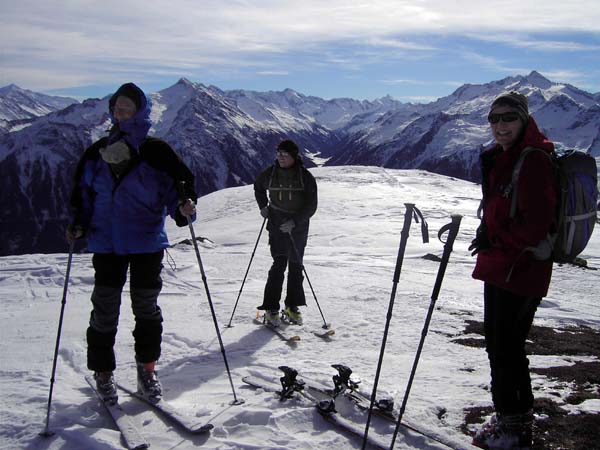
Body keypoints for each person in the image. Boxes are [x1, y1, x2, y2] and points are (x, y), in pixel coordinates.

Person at [66, 82, 197, 403]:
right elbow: (83, 194)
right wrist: (78, 224)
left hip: (147, 243)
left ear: (140, 111)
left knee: (146, 310)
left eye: (127, 107)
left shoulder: (156, 152)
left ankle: (147, 369)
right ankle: (103, 372)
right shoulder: (96, 153)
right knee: (105, 311)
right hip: (106, 244)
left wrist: (184, 209)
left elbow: (177, 191)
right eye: (116, 107)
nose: (120, 112)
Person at [469, 92, 557, 449]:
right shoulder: (503, 157)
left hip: (522, 270)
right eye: (494, 119)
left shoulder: (533, 160)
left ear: (523, 119)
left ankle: (516, 426)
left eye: (508, 118)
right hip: (501, 266)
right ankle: (509, 416)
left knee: (506, 347)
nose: (500, 126)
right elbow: (500, 208)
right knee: (500, 345)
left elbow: (535, 225)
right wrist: (485, 232)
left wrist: (497, 242)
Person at [254, 139, 318, 326]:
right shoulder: (270, 174)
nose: (280, 157)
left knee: (296, 266)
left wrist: (295, 221)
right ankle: (271, 307)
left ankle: (292, 305)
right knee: (279, 264)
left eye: (285, 154)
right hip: (277, 224)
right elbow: (258, 187)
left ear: (294, 156)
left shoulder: (305, 177)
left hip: (298, 227)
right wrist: (263, 206)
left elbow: (311, 205)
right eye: (278, 153)